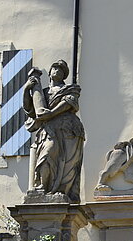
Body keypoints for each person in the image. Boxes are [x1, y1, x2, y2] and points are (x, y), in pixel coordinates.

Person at [24, 60, 84, 202]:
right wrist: (27, 89)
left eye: (61, 70)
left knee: (69, 165)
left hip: (68, 130)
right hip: (48, 130)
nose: (57, 71)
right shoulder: (42, 93)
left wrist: (51, 113)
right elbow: (30, 110)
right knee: (46, 155)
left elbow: (70, 102)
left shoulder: (71, 89)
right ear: (50, 72)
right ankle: (43, 188)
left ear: (64, 75)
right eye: (55, 68)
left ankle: (62, 191)